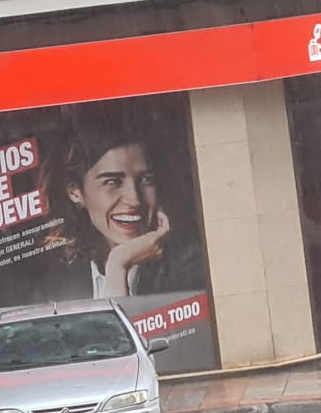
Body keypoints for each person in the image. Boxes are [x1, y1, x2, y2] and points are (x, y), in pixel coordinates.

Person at [37, 106, 206, 302]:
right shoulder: (55, 281)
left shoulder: (189, 266)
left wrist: (118, 265)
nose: (134, 199)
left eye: (146, 180)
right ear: (75, 192)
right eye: (112, 182)